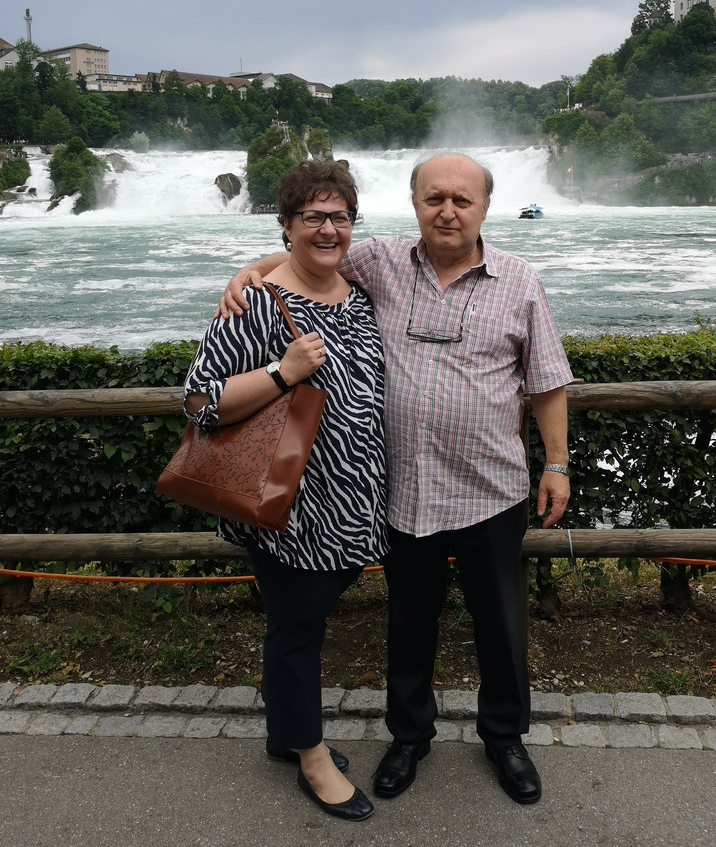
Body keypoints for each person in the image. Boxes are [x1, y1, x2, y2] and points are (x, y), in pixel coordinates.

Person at [218, 152, 573, 807]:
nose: (447, 210)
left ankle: (504, 737)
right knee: (410, 624)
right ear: (414, 204)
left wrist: (555, 463)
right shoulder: (379, 261)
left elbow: (547, 380)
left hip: (490, 489)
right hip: (405, 490)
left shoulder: (520, 281)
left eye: (462, 200)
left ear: (485, 209)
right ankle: (409, 737)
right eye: (434, 197)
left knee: (500, 624)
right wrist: (250, 271)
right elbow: (308, 253)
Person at [185, 160, 386, 822]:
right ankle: (311, 757)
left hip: (354, 507)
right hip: (289, 509)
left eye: (339, 217)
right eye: (312, 218)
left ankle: (282, 733)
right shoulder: (255, 303)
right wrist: (282, 371)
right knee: (297, 633)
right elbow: (199, 402)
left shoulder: (358, 293)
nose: (328, 229)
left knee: (296, 626)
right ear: (287, 225)